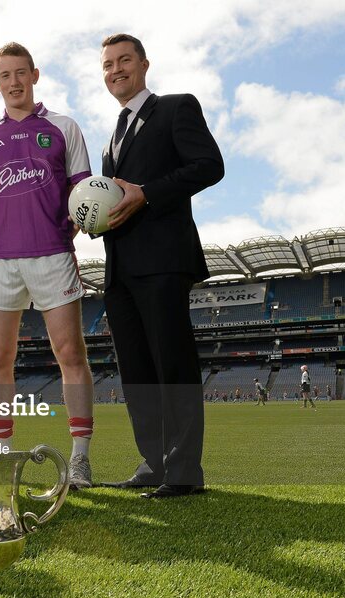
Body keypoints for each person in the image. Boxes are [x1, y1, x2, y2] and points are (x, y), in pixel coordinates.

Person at [93, 34, 224, 498]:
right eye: (108, 64)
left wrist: (146, 192)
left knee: (173, 366)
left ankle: (185, 471)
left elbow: (210, 165)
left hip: (164, 261)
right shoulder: (111, 137)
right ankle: (154, 462)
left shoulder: (175, 107)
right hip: (120, 270)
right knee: (137, 373)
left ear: (144, 64)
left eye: (124, 60)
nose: (115, 70)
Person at [0, 42, 95, 489]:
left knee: (70, 355)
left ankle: (80, 459)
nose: (14, 81)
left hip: (53, 257)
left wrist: (53, 237)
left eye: (21, 72)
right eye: (5, 74)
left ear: (35, 75)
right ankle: (2, 456)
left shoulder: (63, 128)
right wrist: (10, 241)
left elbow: (85, 201)